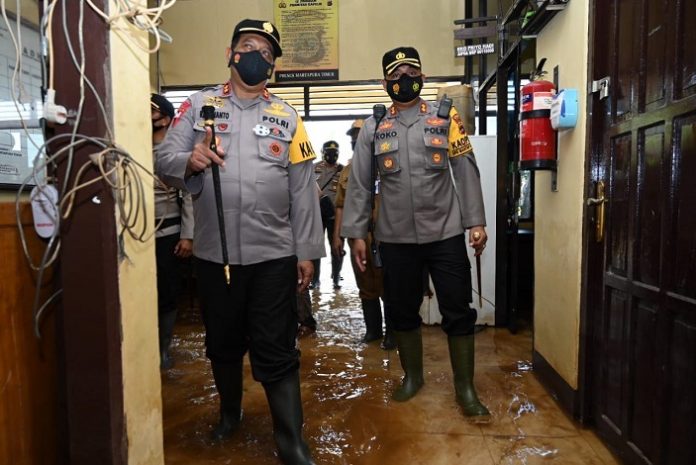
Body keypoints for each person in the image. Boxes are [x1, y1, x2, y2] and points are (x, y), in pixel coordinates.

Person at [156, 19, 323, 464]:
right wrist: (189, 159)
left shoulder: (288, 116)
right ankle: (230, 415)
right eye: (249, 47)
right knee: (223, 343)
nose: (257, 56)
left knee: (276, 347)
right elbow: (162, 158)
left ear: (274, 66)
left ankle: (291, 442)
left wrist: (307, 252)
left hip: (274, 255)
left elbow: (303, 190)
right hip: (216, 256)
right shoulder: (197, 106)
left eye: (267, 53)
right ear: (231, 53)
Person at [341, 46, 490, 420]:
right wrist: (357, 233)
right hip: (396, 239)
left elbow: (465, 169)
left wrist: (476, 221)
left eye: (411, 72)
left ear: (422, 77)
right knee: (401, 309)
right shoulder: (374, 126)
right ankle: (413, 377)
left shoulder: (444, 117)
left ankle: (465, 388)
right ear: (384, 82)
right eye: (396, 74)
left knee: (458, 308)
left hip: (445, 233)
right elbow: (360, 183)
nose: (403, 80)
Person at [332, 119, 395, 350]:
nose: (355, 141)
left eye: (359, 136)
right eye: (353, 138)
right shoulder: (347, 171)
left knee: (389, 286)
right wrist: (337, 236)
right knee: (365, 284)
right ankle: (373, 331)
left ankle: (393, 334)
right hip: (359, 237)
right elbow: (340, 205)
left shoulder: (388, 163)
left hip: (387, 236)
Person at [151, 93, 193, 370]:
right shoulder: (131, 147)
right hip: (136, 233)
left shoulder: (172, 153)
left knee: (166, 293)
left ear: (165, 119)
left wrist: (188, 235)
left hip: (168, 233)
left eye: (151, 110)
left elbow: (189, 193)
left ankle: (163, 349)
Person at [311, 140, 344, 289]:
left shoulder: (343, 170)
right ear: (323, 152)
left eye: (334, 152)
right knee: (316, 247)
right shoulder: (313, 168)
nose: (331, 155)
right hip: (317, 214)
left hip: (336, 215)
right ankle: (315, 279)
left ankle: (336, 277)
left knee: (337, 247)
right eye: (328, 152)